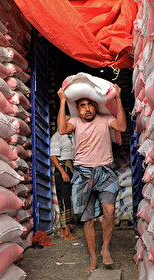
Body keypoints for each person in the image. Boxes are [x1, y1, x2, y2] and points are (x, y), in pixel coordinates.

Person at [57, 84, 126, 273]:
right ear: (77, 109)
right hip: (83, 175)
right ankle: (93, 257)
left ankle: (105, 248)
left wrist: (118, 98)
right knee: (87, 220)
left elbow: (122, 126)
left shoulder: (105, 119)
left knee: (109, 210)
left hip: (105, 172)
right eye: (82, 105)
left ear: (96, 106)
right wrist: (63, 100)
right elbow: (62, 129)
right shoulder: (76, 123)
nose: (87, 108)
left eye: (90, 104)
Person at [50, 124, 79, 241]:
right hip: (63, 169)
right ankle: (67, 233)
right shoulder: (56, 136)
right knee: (64, 200)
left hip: (70, 168)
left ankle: (63, 231)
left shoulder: (71, 136)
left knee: (67, 200)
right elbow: (53, 157)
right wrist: (63, 172)